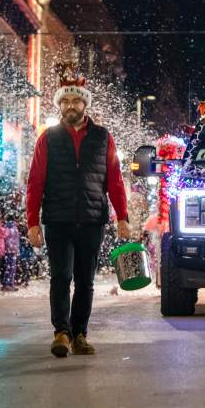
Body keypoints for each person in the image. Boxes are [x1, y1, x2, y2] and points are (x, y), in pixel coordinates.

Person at [26, 66, 130, 358]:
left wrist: (122, 216)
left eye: (76, 101)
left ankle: (80, 334)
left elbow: (115, 180)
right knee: (61, 276)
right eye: (65, 102)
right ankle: (61, 332)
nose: (70, 106)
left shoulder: (103, 137)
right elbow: (35, 181)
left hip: (92, 219)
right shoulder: (47, 139)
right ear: (60, 105)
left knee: (86, 281)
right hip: (57, 220)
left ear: (85, 104)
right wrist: (32, 222)